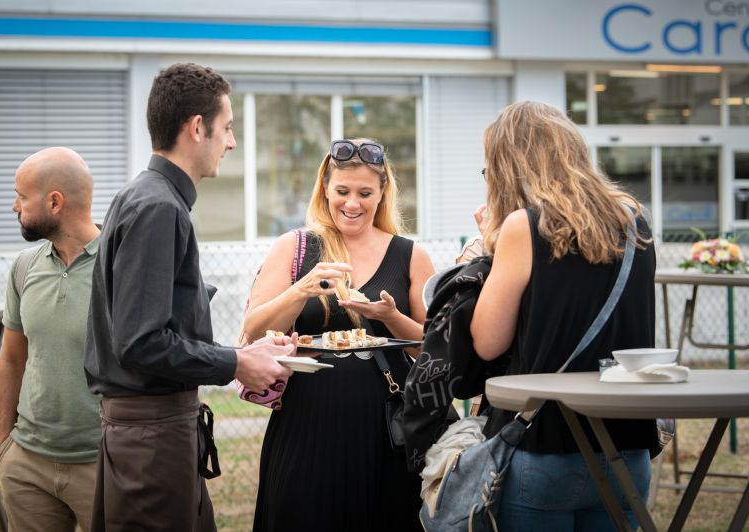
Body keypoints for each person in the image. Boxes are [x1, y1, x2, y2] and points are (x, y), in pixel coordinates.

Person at [84, 63, 294, 532]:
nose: (232, 142)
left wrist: (243, 352)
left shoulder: (146, 197)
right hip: (151, 441)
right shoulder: (157, 207)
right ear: (198, 127)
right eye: (229, 127)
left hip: (154, 436)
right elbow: (141, 343)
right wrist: (236, 364)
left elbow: (157, 325)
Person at [469, 101, 657, 531]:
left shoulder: (523, 226)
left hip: (545, 441)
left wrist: (489, 250)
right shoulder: (636, 221)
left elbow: (487, 341)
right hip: (626, 444)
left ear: (509, 164)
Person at [242, 138, 436, 531]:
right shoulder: (297, 247)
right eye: (342, 191)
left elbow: (431, 349)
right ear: (325, 189)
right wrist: (302, 289)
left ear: (382, 193)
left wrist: (392, 316)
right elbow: (252, 332)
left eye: (365, 193)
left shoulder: (410, 255)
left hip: (386, 429)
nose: (352, 204)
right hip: (307, 425)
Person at [0, 147, 102, 532]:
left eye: (22, 197)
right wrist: (6, 445)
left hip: (103, 466)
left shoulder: (121, 265)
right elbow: (11, 360)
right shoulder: (23, 267)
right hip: (28, 468)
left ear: (54, 202)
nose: (14, 206)